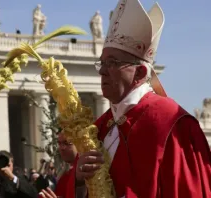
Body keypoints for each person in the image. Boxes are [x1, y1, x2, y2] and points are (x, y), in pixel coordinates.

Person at [75, 0, 211, 197]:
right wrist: (79, 181)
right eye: (101, 63)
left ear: (140, 73)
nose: (102, 71)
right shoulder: (102, 127)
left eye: (112, 63)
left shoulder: (173, 124)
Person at [39, 131, 78, 198]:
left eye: (67, 143)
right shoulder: (65, 175)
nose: (62, 148)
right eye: (59, 143)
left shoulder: (85, 172)